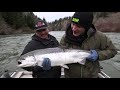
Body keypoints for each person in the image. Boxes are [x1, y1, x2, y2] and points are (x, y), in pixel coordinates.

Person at [59, 12, 117, 78]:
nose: (74, 29)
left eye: (79, 26)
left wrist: (98, 55)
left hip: (92, 75)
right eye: (73, 24)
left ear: (87, 27)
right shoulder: (65, 37)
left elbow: (113, 50)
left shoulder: (99, 37)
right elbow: (60, 55)